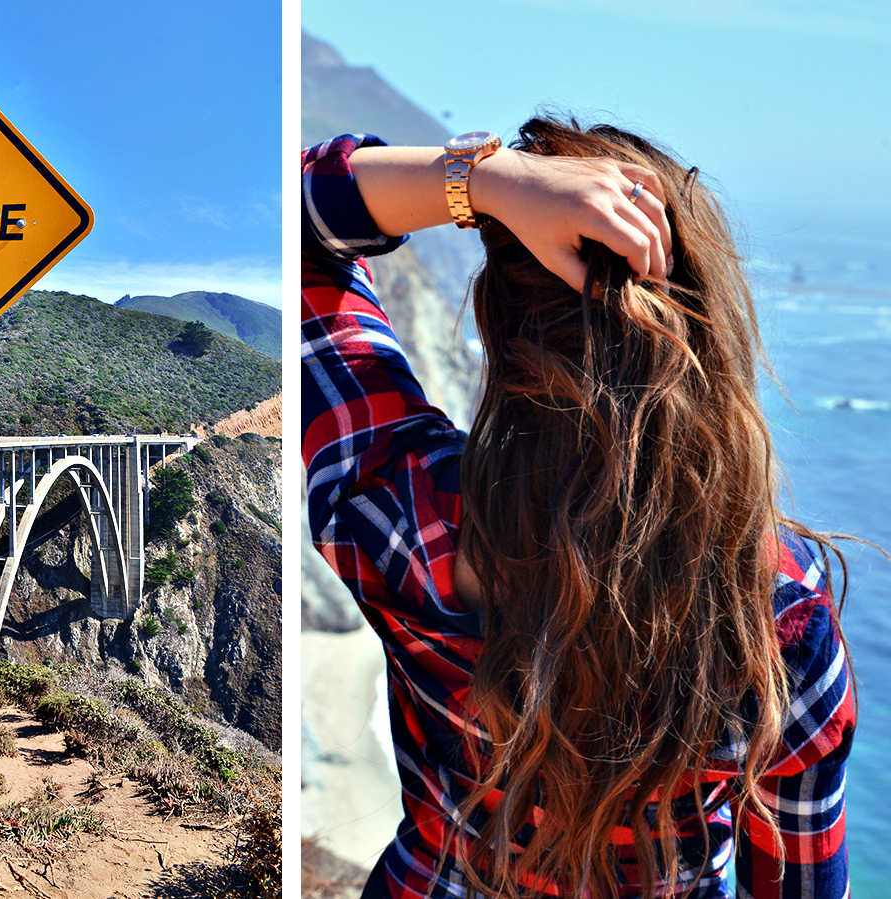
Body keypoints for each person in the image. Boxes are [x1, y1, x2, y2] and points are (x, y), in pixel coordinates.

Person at [301, 118, 853, 899]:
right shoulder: (781, 629)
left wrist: (483, 182)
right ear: (707, 329)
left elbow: (297, 231)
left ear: (498, 328)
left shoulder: (400, 522)